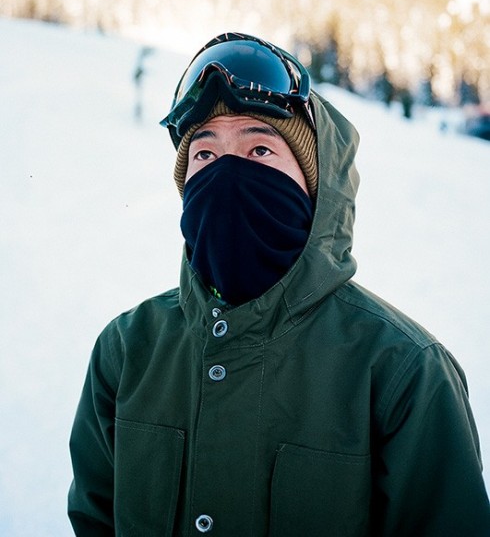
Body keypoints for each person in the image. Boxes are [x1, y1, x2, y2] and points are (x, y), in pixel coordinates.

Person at [68, 32, 490, 536]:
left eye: (260, 148)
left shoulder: (402, 370)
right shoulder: (127, 350)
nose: (227, 172)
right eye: (205, 155)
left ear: (317, 187)